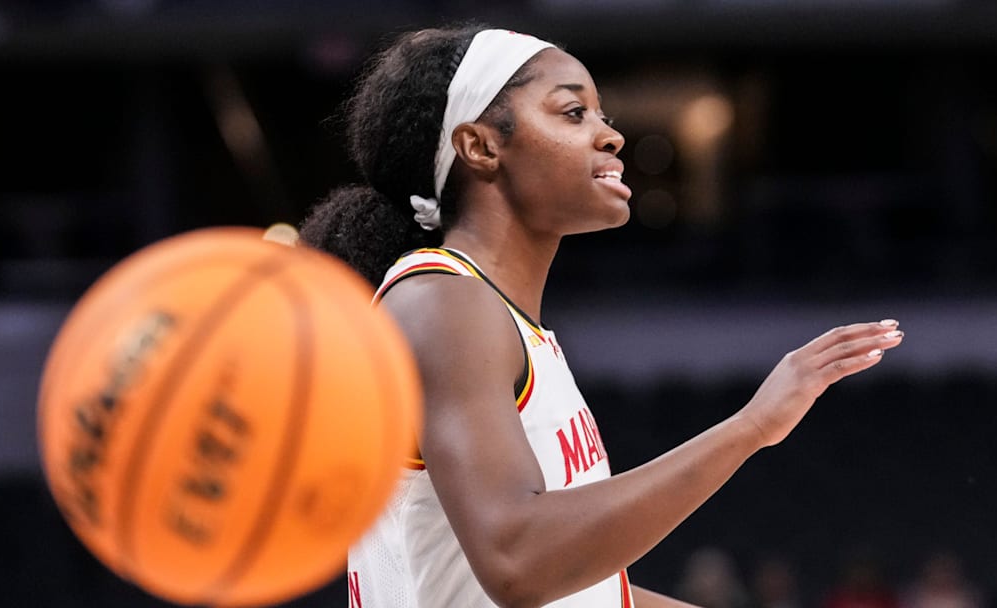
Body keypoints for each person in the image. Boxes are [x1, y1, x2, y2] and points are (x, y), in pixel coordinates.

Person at [300, 24, 905, 608]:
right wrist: (751, 428)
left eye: (602, 117)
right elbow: (519, 564)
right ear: (480, 146)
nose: (610, 136)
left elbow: (577, 587)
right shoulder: (441, 301)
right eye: (573, 113)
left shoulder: (498, 318)